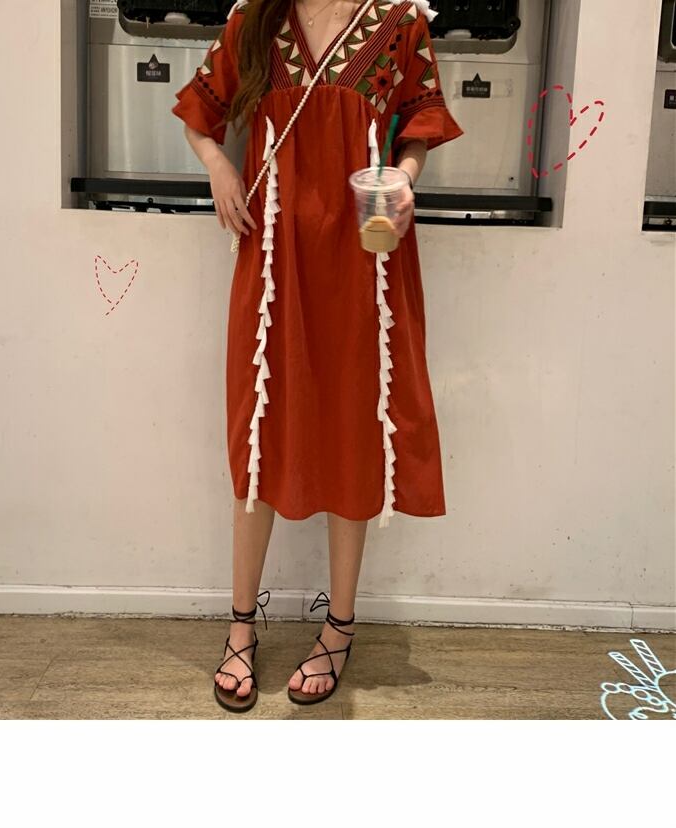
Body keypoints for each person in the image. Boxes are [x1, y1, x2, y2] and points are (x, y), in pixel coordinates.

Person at [171, 0, 463, 712]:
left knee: (352, 432)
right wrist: (219, 167)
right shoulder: (256, 20)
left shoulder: (400, 22)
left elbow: (419, 123)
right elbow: (198, 114)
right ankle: (241, 625)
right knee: (259, 435)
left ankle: (340, 625)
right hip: (273, 259)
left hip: (364, 257)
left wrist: (404, 178)